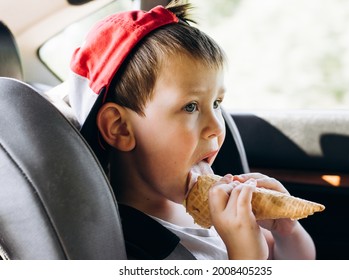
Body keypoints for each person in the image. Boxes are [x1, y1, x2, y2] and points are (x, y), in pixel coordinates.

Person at [65, 0, 316, 260]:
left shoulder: (215, 208)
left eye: (217, 103)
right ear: (120, 129)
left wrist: (287, 231)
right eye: (191, 107)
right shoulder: (133, 246)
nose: (217, 127)